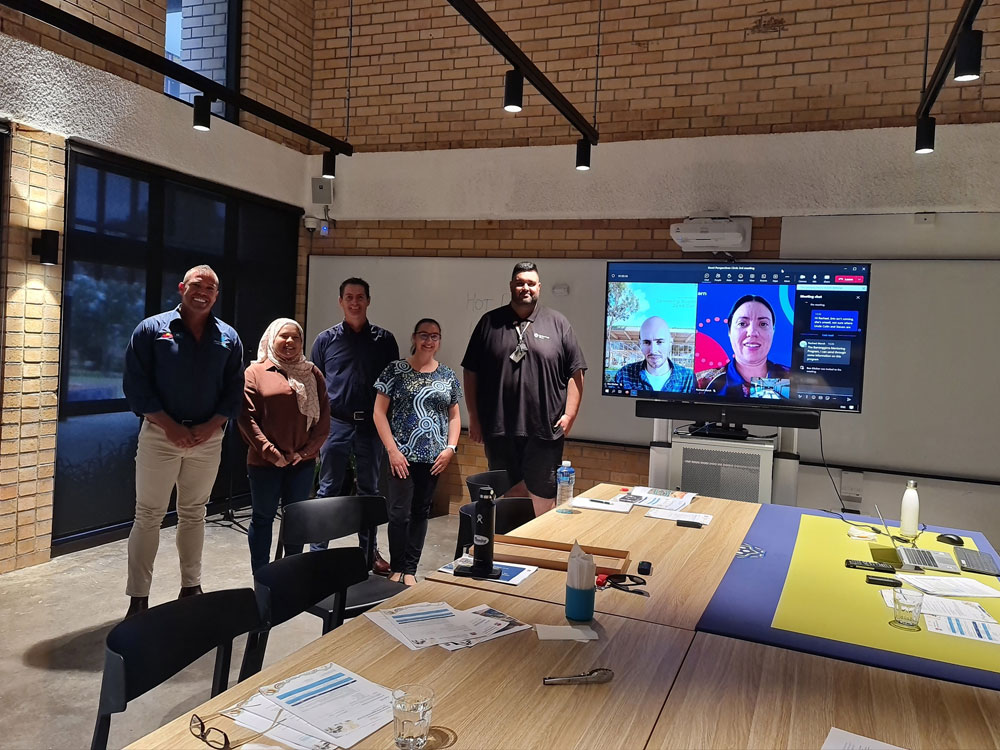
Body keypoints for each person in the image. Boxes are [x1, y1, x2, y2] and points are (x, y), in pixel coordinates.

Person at [122, 264, 244, 618]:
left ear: (217, 295)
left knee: (194, 514)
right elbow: (135, 385)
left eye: (211, 287)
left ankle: (191, 587)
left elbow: (234, 388)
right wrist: (169, 426)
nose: (203, 291)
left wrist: (212, 426)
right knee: (148, 516)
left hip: (208, 439)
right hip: (160, 435)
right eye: (196, 285)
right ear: (181, 287)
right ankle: (138, 600)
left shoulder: (228, 337)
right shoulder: (151, 329)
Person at [462, 262, 587, 516]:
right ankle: (512, 553)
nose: (525, 288)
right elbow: (470, 371)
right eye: (520, 282)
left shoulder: (558, 323)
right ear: (511, 286)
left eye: (531, 283)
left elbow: (576, 371)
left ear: (539, 287)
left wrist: (570, 414)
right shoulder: (489, 323)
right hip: (499, 430)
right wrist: (474, 417)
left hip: (545, 430)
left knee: (544, 500)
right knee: (509, 498)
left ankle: (539, 552)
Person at [311, 277, 399, 572]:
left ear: (368, 301)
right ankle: (317, 554)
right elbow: (317, 388)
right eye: (348, 297)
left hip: (371, 426)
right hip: (336, 424)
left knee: (370, 492)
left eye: (360, 297)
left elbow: (391, 387)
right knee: (328, 490)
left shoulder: (384, 341)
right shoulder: (325, 341)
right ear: (341, 302)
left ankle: (368, 553)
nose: (354, 302)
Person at [373, 318, 461, 586]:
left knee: (421, 512)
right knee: (399, 513)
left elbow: (455, 417)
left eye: (435, 336)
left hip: (433, 459)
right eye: (424, 335)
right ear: (413, 338)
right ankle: (397, 566)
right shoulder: (395, 370)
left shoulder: (447, 375)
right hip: (401, 457)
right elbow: (378, 412)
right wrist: (392, 450)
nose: (429, 340)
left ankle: (410, 569)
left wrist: (450, 449)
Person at [239, 318, 330, 573]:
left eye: (296, 337)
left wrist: (306, 453)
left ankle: (291, 572)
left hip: (301, 463)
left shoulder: (312, 373)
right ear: (272, 338)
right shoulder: (255, 372)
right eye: (284, 337)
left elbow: (323, 419)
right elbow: (246, 418)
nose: (290, 342)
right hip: (264, 462)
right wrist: (270, 452)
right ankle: (262, 576)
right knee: (263, 518)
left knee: (296, 521)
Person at [696, 294, 791, 397]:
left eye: (763, 324)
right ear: (729, 331)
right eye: (742, 324)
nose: (752, 332)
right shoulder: (703, 382)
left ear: (773, 331)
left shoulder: (792, 377)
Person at [612, 316, 695, 393]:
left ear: (670, 343)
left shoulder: (688, 378)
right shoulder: (624, 374)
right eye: (647, 342)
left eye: (659, 342)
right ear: (640, 344)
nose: (653, 350)